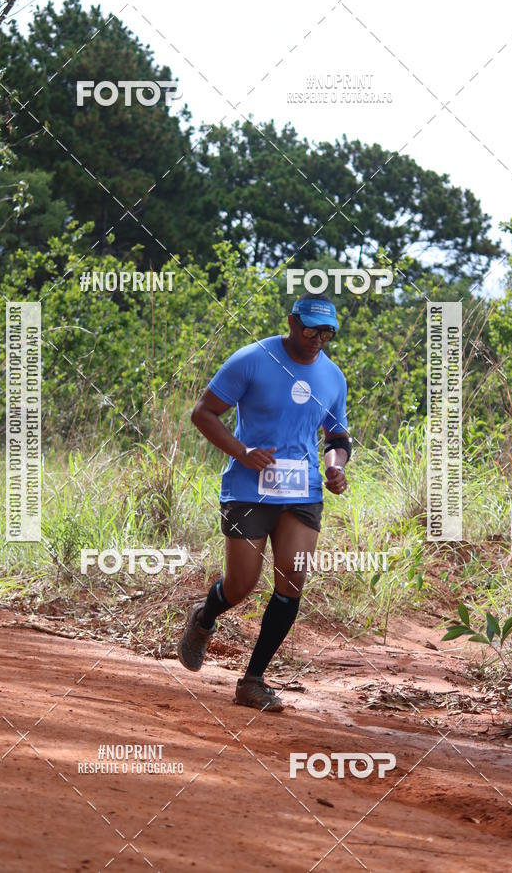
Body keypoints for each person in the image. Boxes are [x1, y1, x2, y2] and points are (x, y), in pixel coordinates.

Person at [177, 293, 351, 711]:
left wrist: (334, 467)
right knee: (241, 585)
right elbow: (204, 412)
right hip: (248, 489)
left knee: (292, 582)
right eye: (310, 328)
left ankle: (252, 681)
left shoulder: (333, 377)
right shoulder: (251, 359)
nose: (317, 338)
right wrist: (241, 452)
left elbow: (338, 438)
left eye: (327, 332)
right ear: (292, 322)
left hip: (303, 492)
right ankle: (204, 616)